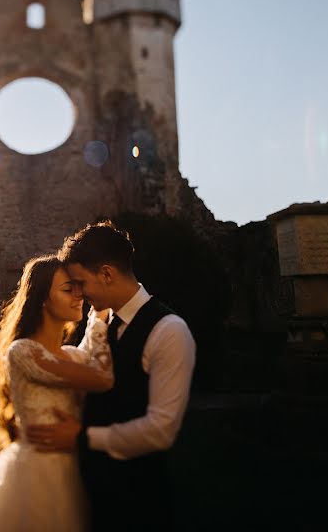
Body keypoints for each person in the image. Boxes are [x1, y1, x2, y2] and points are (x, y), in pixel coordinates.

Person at [26, 221, 196, 532]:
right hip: (91, 495)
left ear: (106, 274)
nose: (79, 293)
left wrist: (82, 436)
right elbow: (85, 367)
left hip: (137, 502)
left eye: (81, 283)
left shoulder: (169, 331)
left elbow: (161, 430)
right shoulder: (101, 319)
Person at [0, 254, 114, 532]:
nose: (79, 295)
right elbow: (102, 377)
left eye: (79, 288)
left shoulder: (71, 356)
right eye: (68, 289)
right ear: (43, 300)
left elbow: (89, 357)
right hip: (34, 476)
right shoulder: (23, 351)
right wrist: (99, 318)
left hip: (74, 473)